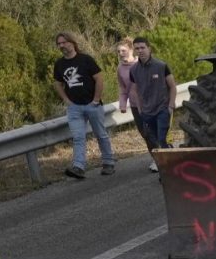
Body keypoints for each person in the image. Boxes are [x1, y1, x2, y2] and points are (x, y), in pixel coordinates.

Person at [51, 32, 114, 179]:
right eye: (59, 44)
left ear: (72, 43)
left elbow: (99, 78)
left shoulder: (85, 60)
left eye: (64, 42)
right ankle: (78, 167)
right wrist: (66, 100)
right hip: (74, 108)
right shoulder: (59, 64)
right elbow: (57, 83)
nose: (61, 46)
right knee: (78, 137)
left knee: (101, 134)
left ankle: (108, 162)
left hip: (92, 105)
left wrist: (96, 99)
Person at [123, 37, 174, 172]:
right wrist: (140, 109)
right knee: (153, 140)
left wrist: (171, 106)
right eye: (137, 48)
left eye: (142, 47)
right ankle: (168, 157)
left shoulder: (161, 66)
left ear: (149, 48)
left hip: (162, 108)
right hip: (146, 111)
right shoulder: (134, 70)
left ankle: (165, 171)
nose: (140, 51)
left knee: (161, 138)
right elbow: (135, 91)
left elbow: (172, 86)